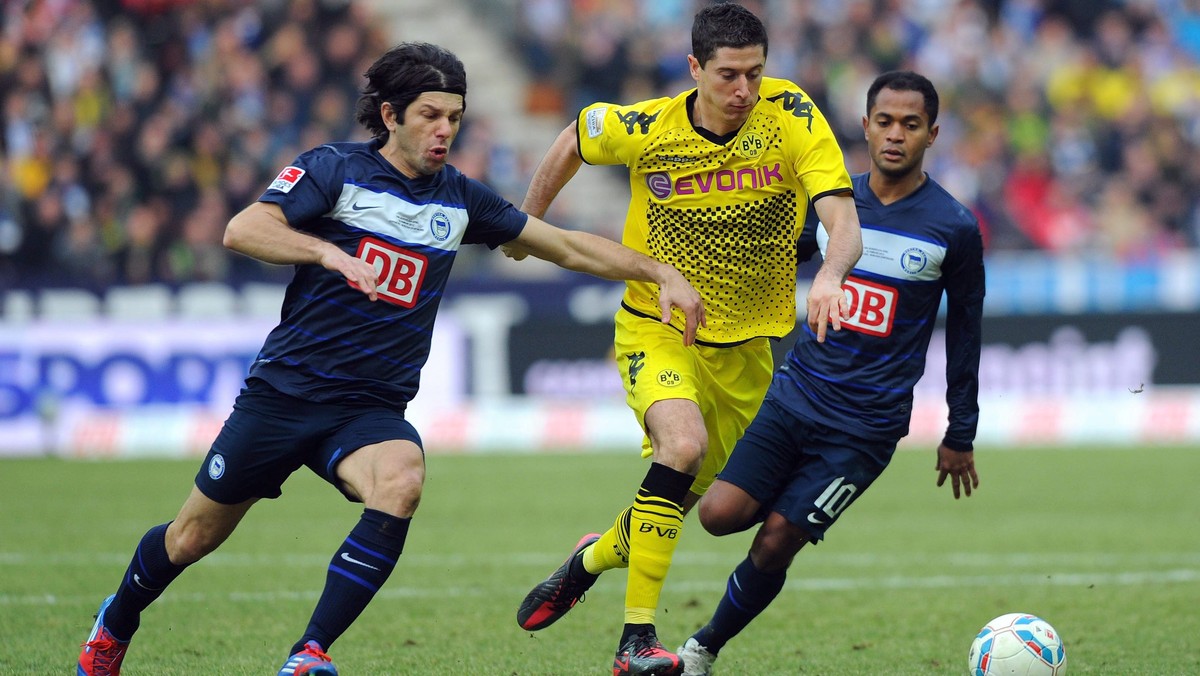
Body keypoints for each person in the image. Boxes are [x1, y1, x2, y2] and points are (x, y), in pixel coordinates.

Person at [76, 42, 706, 676]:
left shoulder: (460, 198)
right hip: (284, 396)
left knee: (402, 477)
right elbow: (243, 228)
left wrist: (659, 272)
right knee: (191, 538)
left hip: (368, 411)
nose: (445, 130)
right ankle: (115, 624)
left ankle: (309, 652)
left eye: (455, 117)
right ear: (390, 115)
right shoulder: (332, 169)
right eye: (431, 114)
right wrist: (326, 253)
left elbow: (566, 246)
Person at [509, 4, 863, 675]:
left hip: (748, 353)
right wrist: (529, 224)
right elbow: (576, 137)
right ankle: (634, 642)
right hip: (658, 328)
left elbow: (840, 214)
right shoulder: (648, 127)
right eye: (729, 75)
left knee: (672, 504)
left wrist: (834, 273)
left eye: (755, 74)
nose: (744, 91)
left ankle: (589, 559)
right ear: (694, 68)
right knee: (681, 446)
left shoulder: (790, 114)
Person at [674, 70, 985, 676]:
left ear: (933, 134)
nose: (896, 135)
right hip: (795, 397)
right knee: (718, 517)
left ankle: (701, 649)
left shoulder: (954, 227)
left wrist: (960, 432)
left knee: (775, 541)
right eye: (885, 122)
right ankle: (767, 519)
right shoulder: (832, 204)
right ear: (866, 125)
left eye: (911, 125)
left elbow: (967, 333)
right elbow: (767, 263)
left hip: (863, 430)